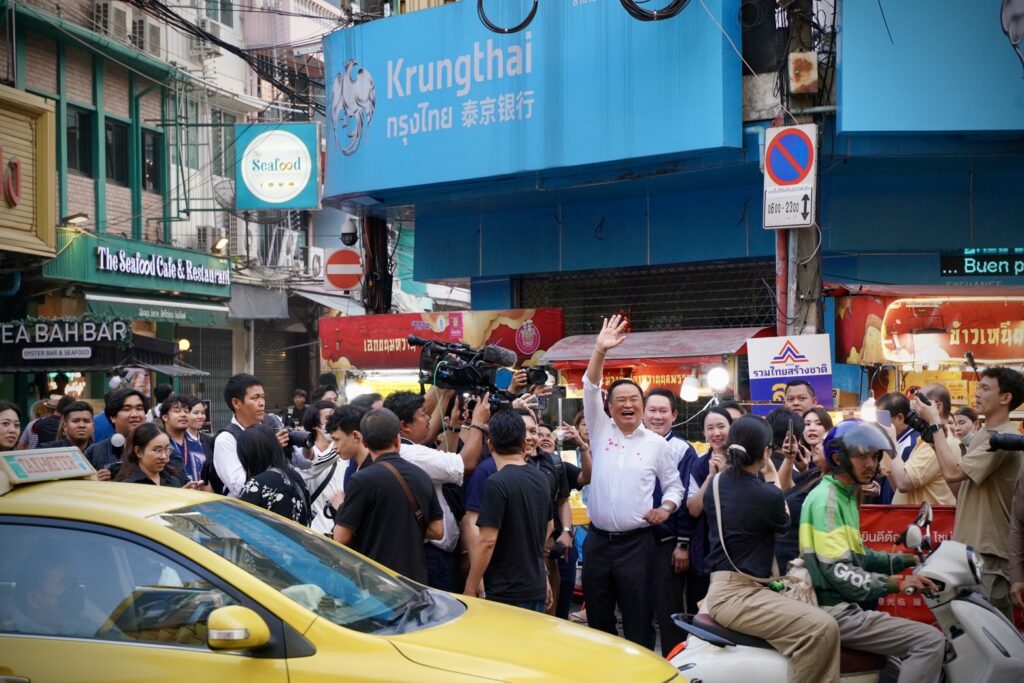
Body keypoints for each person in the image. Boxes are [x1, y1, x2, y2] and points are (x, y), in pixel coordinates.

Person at [801, 420, 946, 682]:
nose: (871, 464)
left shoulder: (844, 494)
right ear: (838, 458)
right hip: (836, 611)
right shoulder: (828, 501)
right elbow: (839, 570)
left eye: (876, 456)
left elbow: (861, 556)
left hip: (845, 607)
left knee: (892, 671)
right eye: (863, 456)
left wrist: (908, 559)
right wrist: (898, 584)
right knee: (930, 641)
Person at [704, 415, 840, 683]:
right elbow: (784, 518)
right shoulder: (765, 494)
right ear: (766, 452)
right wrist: (770, 473)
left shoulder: (716, 484)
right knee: (823, 627)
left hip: (720, 587)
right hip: (740, 594)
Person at [580, 315, 683, 648]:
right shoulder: (600, 430)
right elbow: (590, 386)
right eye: (620, 400)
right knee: (598, 619)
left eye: (634, 399)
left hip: (637, 545)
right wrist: (600, 350)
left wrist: (666, 509)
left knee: (638, 618)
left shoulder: (657, 444)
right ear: (609, 407)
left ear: (642, 406)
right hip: (597, 543)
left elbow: (675, 487)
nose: (628, 404)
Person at [917, 366, 1024, 619]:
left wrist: (935, 425)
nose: (977, 393)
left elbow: (953, 473)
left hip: (989, 553)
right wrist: (934, 442)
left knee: (990, 631)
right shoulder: (984, 435)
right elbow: (960, 490)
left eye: (985, 388)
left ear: (1005, 398)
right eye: (979, 387)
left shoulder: (1003, 438)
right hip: (970, 550)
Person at [384, 390, 489, 591]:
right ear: (404, 426)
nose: (429, 419)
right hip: (431, 555)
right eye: (423, 414)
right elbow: (465, 465)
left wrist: (454, 427)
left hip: (433, 553)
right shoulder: (412, 454)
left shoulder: (408, 452)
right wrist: (477, 424)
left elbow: (441, 463)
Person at [334, 409, 444, 583]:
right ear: (397, 440)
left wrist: (340, 506)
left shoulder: (361, 480)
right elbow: (438, 531)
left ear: (364, 442)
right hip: (414, 581)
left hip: (375, 581)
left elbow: (341, 537)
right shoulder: (421, 476)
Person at [464, 410, 553, 612]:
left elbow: (487, 541)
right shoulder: (540, 478)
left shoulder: (496, 482)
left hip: (506, 590)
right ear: (523, 443)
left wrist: (470, 586)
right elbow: (549, 526)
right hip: (535, 585)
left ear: (490, 445)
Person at [643, 388, 699, 656]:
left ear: (674, 415)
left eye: (663, 411)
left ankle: (672, 663)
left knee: (669, 611)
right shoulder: (632, 444)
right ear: (643, 414)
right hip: (634, 540)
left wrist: (683, 543)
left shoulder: (682, 449)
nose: (657, 416)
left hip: (667, 541)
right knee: (638, 607)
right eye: (652, 410)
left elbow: (687, 499)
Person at [684, 406, 734, 610]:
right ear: (704, 432)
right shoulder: (698, 465)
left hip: (736, 549)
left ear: (731, 428)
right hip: (705, 547)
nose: (716, 433)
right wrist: (711, 476)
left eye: (721, 426)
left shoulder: (745, 462)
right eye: (710, 428)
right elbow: (693, 509)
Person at [212, 374, 288, 497]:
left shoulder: (272, 424)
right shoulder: (226, 439)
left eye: (263, 397)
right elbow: (240, 487)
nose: (262, 403)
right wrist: (272, 449)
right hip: (248, 507)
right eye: (255, 398)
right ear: (236, 403)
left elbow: (303, 466)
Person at [883, 383, 956, 506]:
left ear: (937, 407)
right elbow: (898, 487)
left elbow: (903, 483)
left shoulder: (941, 441)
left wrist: (890, 440)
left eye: (918, 403)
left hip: (926, 518)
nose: (913, 409)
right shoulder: (929, 439)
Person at [236, 424, 311, 526]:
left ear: (248, 454)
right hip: (298, 536)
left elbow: (240, 524)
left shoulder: (256, 484)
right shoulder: (295, 476)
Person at [12, 548, 96, 638]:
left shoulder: (79, 625)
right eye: (65, 582)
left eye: (73, 582)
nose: (75, 589)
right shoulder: (14, 634)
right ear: (34, 599)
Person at [84, 389, 149, 479]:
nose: (134, 414)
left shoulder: (159, 448)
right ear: (113, 417)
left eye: (139, 409)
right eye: (126, 409)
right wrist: (95, 479)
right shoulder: (95, 452)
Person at [874, 392, 919, 504]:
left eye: (881, 418)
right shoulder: (894, 441)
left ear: (900, 418)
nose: (877, 423)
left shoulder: (913, 444)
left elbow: (902, 486)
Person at [114, 423, 191, 487]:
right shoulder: (129, 486)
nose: (164, 456)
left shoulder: (173, 481)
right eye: (157, 450)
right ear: (138, 451)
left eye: (167, 449)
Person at [161, 396, 204, 483]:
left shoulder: (197, 445)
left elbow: (204, 480)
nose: (183, 415)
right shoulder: (159, 445)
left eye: (186, 411)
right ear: (165, 417)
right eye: (177, 411)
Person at [184, 396, 214, 466]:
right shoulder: (180, 441)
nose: (200, 417)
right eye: (196, 413)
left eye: (203, 413)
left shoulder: (207, 440)